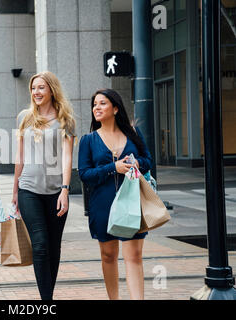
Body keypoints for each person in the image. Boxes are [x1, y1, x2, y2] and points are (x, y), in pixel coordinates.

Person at [78, 88, 153, 300]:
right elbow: (85, 174)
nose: (97, 108)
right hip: (103, 205)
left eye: (102, 103)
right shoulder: (88, 140)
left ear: (115, 108)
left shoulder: (133, 133)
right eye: (95, 104)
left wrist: (138, 163)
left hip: (132, 202)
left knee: (134, 256)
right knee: (108, 256)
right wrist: (113, 168)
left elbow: (148, 161)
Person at [12, 71, 76, 300]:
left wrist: (65, 190)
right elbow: (19, 157)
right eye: (33, 88)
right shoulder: (25, 118)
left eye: (41, 87)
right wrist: (15, 192)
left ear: (51, 90)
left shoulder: (66, 119)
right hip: (29, 188)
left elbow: (68, 157)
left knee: (53, 246)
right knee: (39, 245)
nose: (36, 92)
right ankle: (46, 301)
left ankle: (48, 295)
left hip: (56, 191)